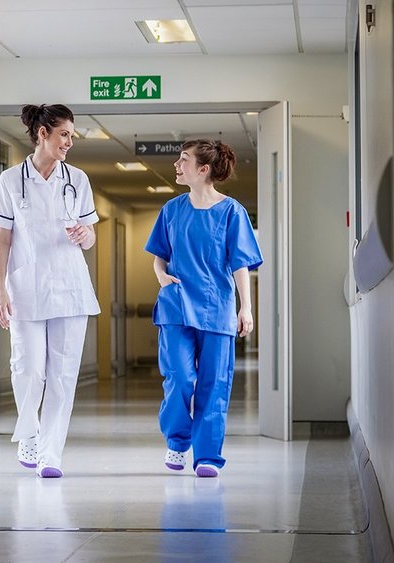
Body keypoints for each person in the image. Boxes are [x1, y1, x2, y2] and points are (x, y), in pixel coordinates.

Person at [0, 104, 101, 478]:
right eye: (64, 134)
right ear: (42, 134)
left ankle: (52, 453)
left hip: (70, 289)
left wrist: (86, 235)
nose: (69, 141)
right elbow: (2, 240)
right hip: (25, 289)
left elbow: (89, 235)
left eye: (71, 135)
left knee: (63, 376)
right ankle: (30, 433)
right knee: (29, 370)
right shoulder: (10, 181)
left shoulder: (78, 180)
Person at [144, 139, 263, 478]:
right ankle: (178, 442)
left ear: (203, 169)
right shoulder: (171, 210)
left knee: (214, 383)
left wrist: (246, 308)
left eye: (183, 160)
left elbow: (240, 263)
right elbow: (159, 258)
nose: (177, 166)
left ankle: (208, 455)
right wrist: (161, 276)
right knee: (180, 378)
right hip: (176, 307)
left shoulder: (232, 212)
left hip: (217, 308)